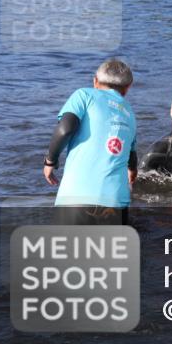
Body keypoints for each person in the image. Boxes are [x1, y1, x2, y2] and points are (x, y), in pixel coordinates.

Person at [43, 59, 138, 225]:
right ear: (128, 87)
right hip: (116, 203)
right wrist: (131, 172)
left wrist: (50, 160)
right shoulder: (130, 113)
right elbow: (132, 158)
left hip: (76, 199)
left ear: (95, 81)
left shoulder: (84, 95)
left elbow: (65, 128)